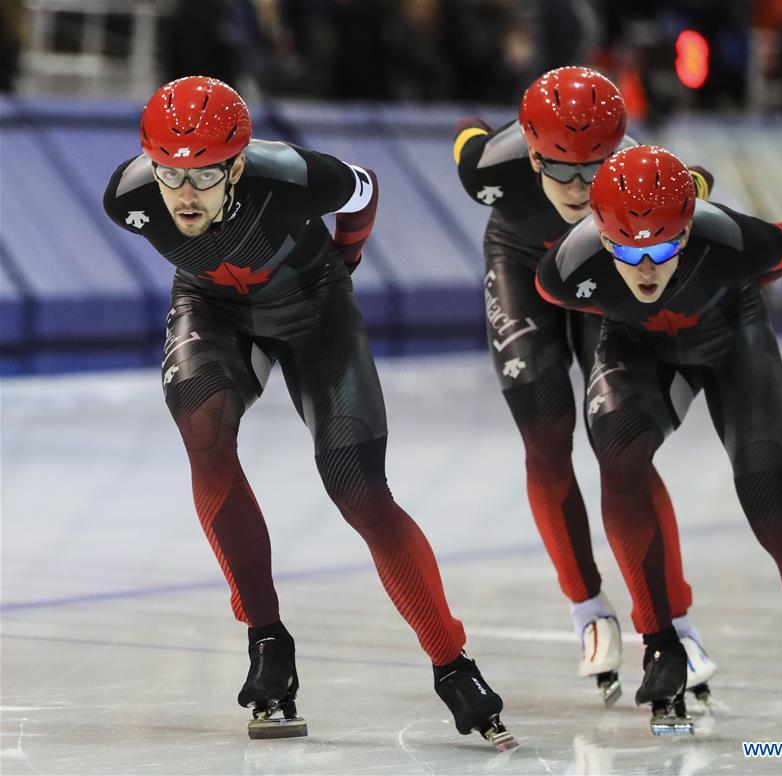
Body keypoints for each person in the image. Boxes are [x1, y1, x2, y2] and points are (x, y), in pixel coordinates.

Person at [102, 75, 516, 750]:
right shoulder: (128, 197)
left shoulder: (293, 176)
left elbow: (366, 188)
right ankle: (266, 638)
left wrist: (347, 256)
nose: (183, 193)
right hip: (212, 309)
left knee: (358, 488)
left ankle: (452, 662)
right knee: (203, 430)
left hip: (313, 308)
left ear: (237, 165)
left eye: (204, 176)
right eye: (170, 173)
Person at [535, 144, 782, 740]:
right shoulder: (567, 271)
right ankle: (660, 643)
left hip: (734, 342)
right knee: (618, 456)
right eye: (627, 250)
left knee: (773, 512)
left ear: (687, 229)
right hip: (642, 351)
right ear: (600, 236)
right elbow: (557, 292)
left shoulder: (730, 241)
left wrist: (746, 283)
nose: (646, 267)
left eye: (662, 248)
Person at [453, 66, 716, 705]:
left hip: (606, 266)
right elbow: (466, 140)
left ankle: (675, 622)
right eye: (557, 169)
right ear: (530, 152)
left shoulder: (640, 171)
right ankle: (588, 611)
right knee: (545, 435)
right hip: (521, 262)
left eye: (592, 170)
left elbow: (697, 192)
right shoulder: (490, 169)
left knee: (620, 446)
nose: (575, 187)